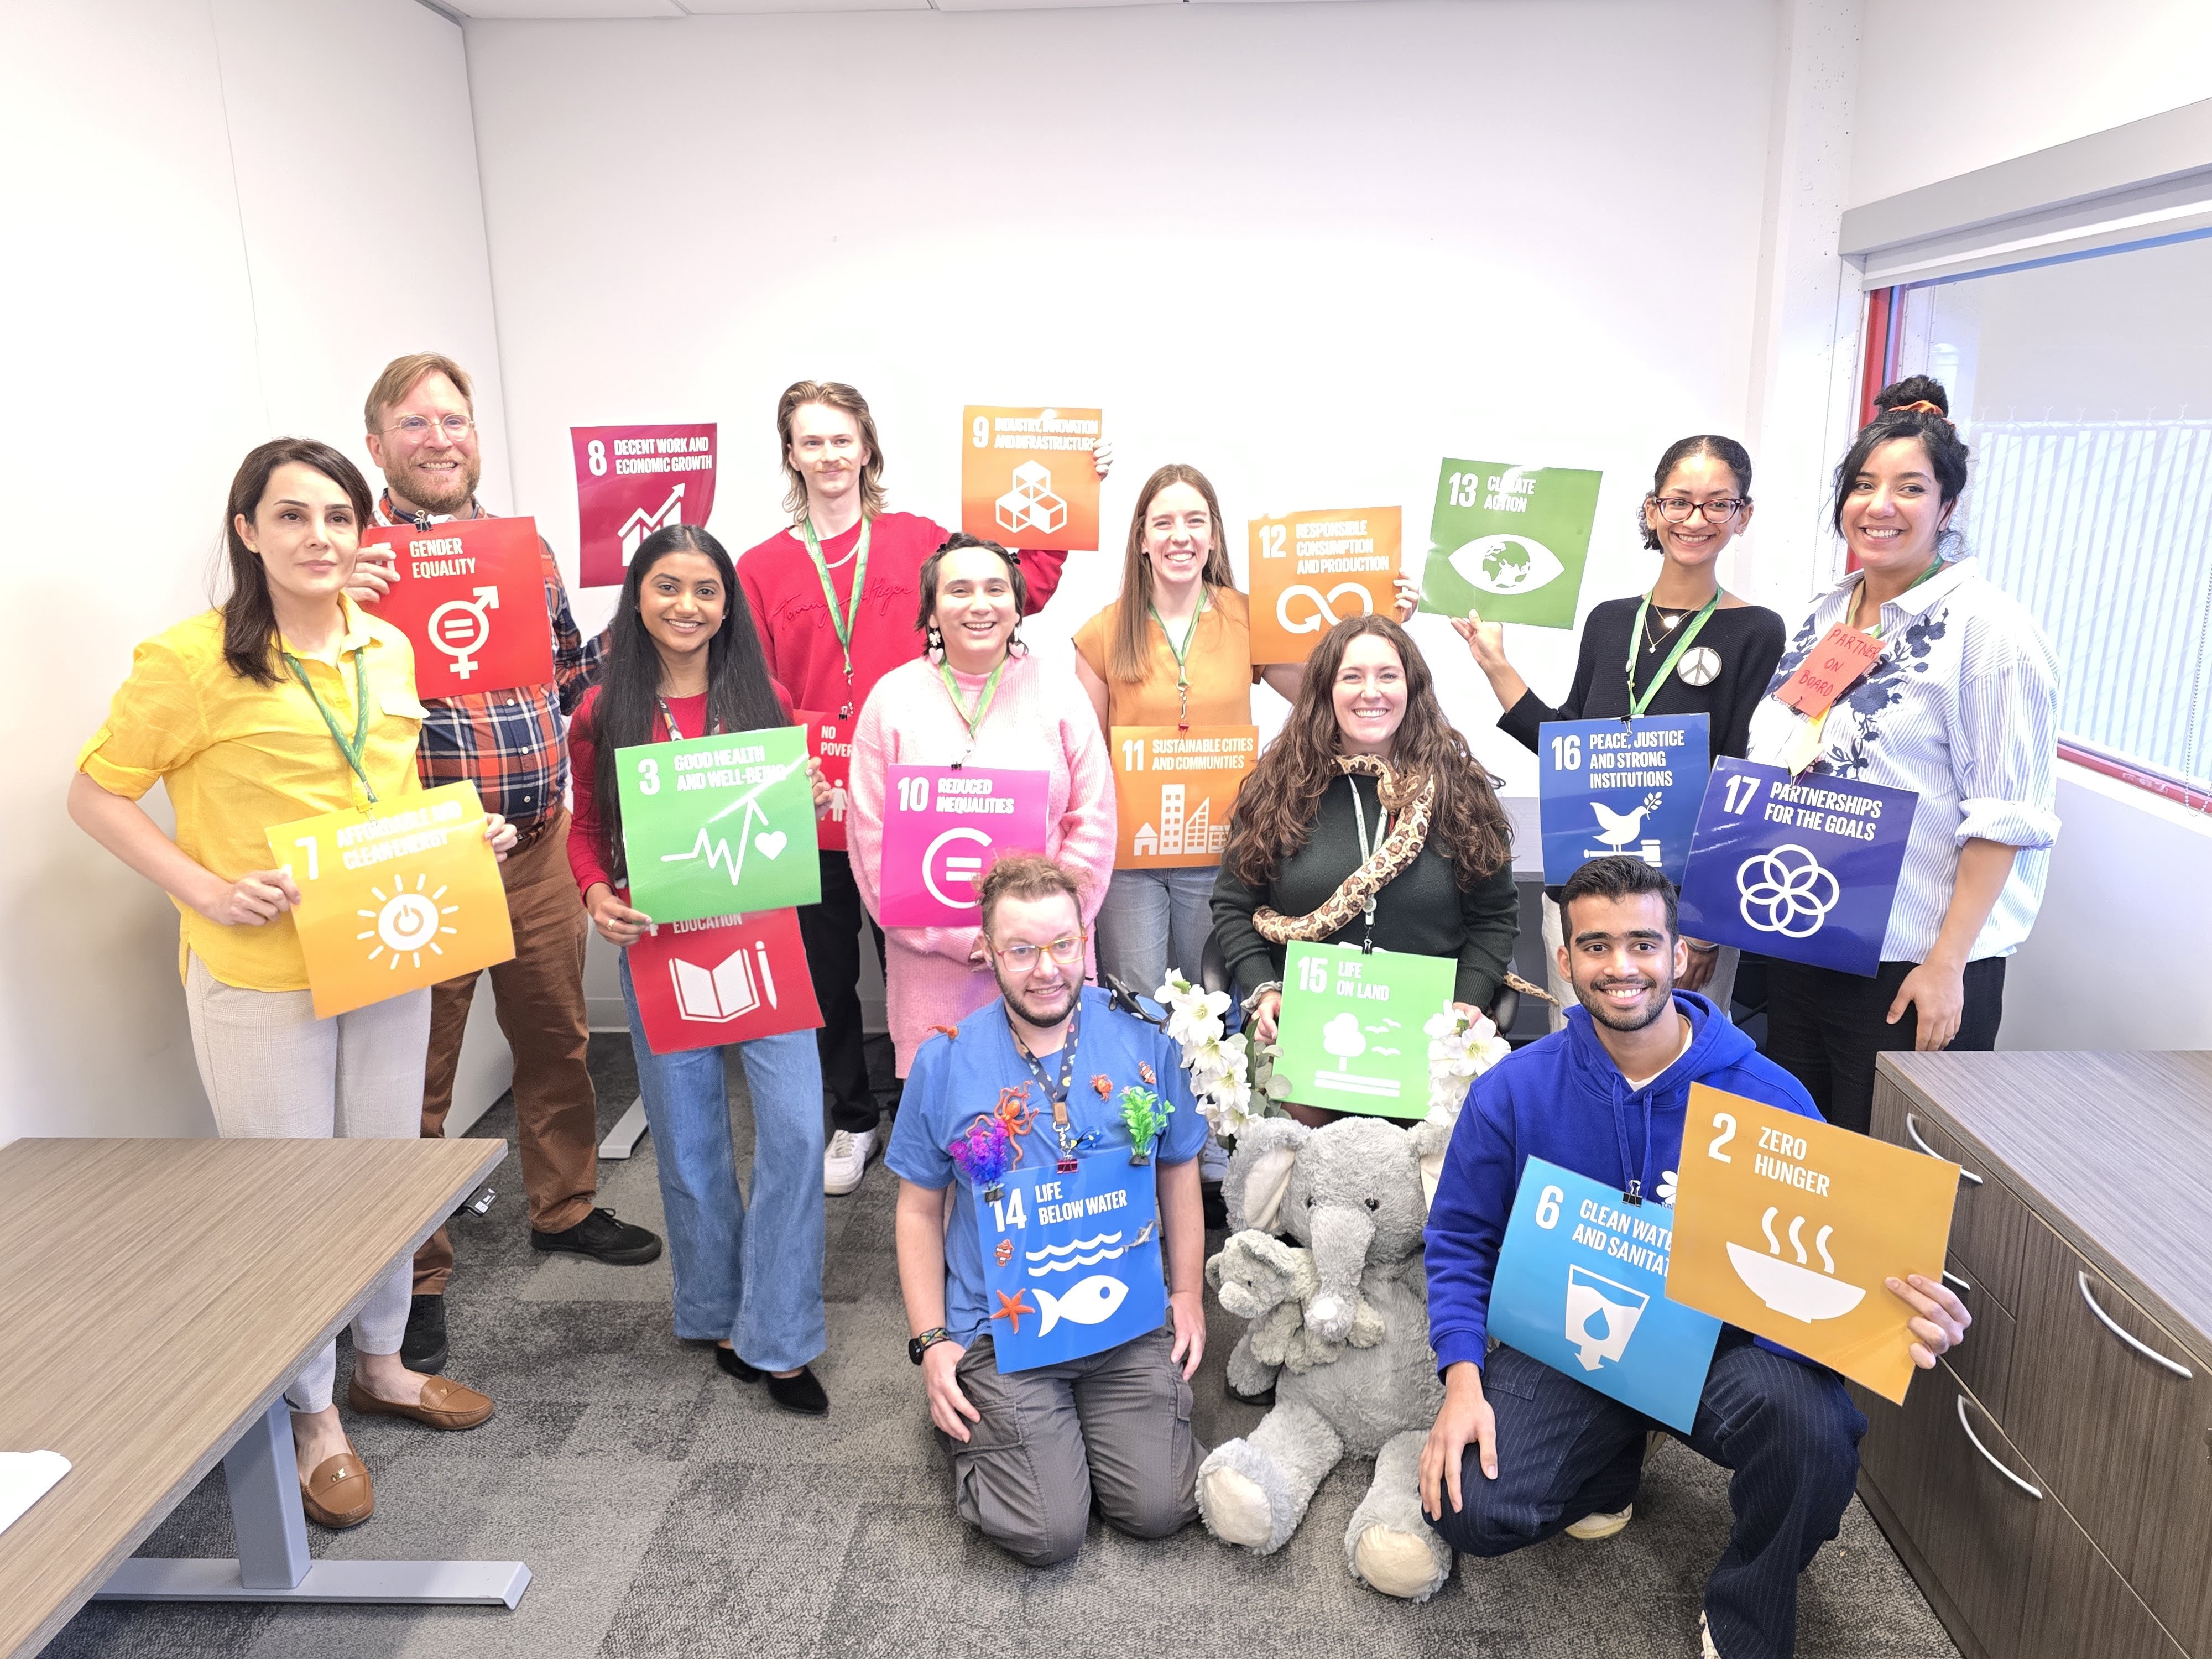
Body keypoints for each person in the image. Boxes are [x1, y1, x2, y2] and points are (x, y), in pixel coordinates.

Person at [70, 438, 514, 1530]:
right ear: (248, 533)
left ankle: (381, 1365)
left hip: (385, 948)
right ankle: (313, 1412)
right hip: (261, 972)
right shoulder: (189, 661)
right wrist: (204, 889)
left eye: (339, 519)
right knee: (291, 1196)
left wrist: (462, 843)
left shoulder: (387, 650)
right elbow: (97, 796)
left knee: (377, 1174)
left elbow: (387, 795)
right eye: (293, 517)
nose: (321, 538)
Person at [1418, 856, 1973, 1658]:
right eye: (1596, 946)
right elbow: (1460, 1242)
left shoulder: (1771, 1095)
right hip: (1575, 1336)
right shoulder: (1512, 1090)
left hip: (1723, 1352)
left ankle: (1746, 1610)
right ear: (1565, 961)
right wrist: (1461, 1381)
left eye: (1644, 943)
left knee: (1814, 1438)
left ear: (1682, 957)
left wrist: (1899, 1318)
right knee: (1467, 1504)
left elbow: (1835, 1258)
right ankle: (1612, 1459)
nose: (1621, 967)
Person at [348, 352, 658, 1378]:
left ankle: (564, 1206)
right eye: (416, 423)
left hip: (530, 845)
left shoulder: (523, 554)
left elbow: (571, 670)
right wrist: (346, 602)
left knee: (557, 1039)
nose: (441, 439)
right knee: (416, 1075)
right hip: (420, 861)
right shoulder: (355, 563)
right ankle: (417, 1274)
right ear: (378, 443)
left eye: (456, 421)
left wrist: (642, 614)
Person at [737, 382, 1110, 1198]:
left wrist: (1069, 498)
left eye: (844, 439)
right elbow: (755, 686)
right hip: (815, 801)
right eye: (812, 441)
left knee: (922, 971)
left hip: (932, 792)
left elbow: (1006, 586)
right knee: (825, 971)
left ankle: (934, 1114)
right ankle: (853, 1115)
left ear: (867, 448)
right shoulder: (762, 566)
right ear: (791, 454)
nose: (831, 455)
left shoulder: (914, 541)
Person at [566, 525, 836, 1416]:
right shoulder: (603, 712)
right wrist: (596, 893)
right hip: (660, 946)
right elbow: (585, 834)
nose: (689, 606)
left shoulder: (769, 700)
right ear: (637, 597)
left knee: (797, 1133)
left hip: (760, 939)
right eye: (669, 587)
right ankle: (718, 1312)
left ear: (729, 605)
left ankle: (783, 1336)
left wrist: (817, 800)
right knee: (688, 1145)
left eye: (707, 590)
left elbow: (784, 820)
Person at [1744, 406, 2059, 1135]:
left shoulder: (1989, 632)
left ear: (1947, 506)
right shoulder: (1829, 613)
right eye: (1863, 484)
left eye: (1910, 488)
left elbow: (2009, 815)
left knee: (1884, 1196)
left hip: (1908, 971)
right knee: (1794, 1167)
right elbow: (1786, 754)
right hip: (1806, 935)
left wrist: (1947, 966)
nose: (1879, 505)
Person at [888, 853, 1209, 1565]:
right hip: (1002, 1327)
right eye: (1022, 950)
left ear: (1086, 938)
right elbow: (917, 1210)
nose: (1046, 969)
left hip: (1121, 1314)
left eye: (1063, 945)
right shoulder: (945, 1062)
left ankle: (1064, 1430)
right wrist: (932, 1340)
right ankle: (995, 1432)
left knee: (1161, 1508)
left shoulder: (1145, 1037)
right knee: (1048, 1532)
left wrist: (1186, 1293)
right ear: (987, 951)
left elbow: (1179, 1163)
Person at [1453, 435, 1787, 1026]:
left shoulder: (1759, 632)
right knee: (1578, 1056)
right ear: (1653, 510)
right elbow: (1569, 750)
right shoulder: (1610, 622)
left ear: (1744, 516)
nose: (1695, 519)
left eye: (1718, 503)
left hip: (1680, 908)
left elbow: (1744, 787)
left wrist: (1708, 928)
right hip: (1581, 896)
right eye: (1679, 502)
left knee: (1679, 1065)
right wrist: (1494, 663)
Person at [1073, 462, 1420, 997]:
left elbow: (1325, 695)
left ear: (1214, 536)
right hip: (1131, 864)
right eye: (1163, 523)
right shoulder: (1102, 631)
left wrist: (1388, 630)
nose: (1180, 536)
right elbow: (1086, 762)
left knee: (1214, 1011)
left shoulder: (1247, 619)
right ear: (1141, 537)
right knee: (1135, 1008)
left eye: (1195, 520)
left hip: (1221, 853)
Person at [1211, 614, 1519, 1126]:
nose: (1369, 692)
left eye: (1387, 675)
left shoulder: (1458, 787)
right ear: (1325, 691)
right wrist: (1265, 991)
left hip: (1427, 1037)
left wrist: (1469, 1002)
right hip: (1306, 1034)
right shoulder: (1279, 786)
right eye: (1351, 676)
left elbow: (1495, 915)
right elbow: (1234, 904)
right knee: (1305, 1164)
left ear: (1412, 687)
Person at [847, 534, 1117, 1079]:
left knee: (1056, 1138)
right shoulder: (891, 701)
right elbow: (872, 846)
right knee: (953, 1145)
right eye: (959, 589)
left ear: (1017, 606)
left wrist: (1035, 935)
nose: (979, 603)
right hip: (932, 979)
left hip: (1047, 968)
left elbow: (1093, 822)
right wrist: (960, 939)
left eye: (996, 588)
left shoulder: (1059, 692)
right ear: (931, 609)